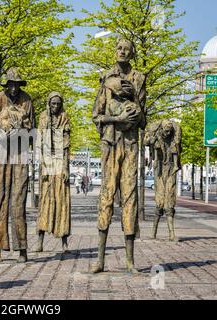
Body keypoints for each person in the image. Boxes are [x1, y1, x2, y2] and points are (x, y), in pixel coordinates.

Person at [91, 39, 146, 274]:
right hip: (111, 144)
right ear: (115, 51)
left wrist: (133, 102)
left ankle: (130, 261)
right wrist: (117, 120)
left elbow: (143, 120)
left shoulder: (139, 78)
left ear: (132, 53)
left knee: (130, 197)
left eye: (126, 49)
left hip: (131, 144)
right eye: (119, 48)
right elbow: (97, 116)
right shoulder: (105, 78)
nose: (122, 52)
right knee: (106, 196)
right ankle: (101, 260)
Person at [0, 67, 35, 263]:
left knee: (18, 201)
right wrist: (2, 133)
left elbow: (31, 128)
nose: (14, 88)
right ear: (6, 85)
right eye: (11, 85)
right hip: (2, 154)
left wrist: (20, 133)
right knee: (0, 198)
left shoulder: (27, 100)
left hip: (20, 154)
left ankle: (22, 249)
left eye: (17, 84)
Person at [36, 92, 71, 253]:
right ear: (48, 104)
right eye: (53, 104)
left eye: (58, 104)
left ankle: (64, 241)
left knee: (62, 201)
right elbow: (40, 143)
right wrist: (43, 167)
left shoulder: (64, 117)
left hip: (59, 163)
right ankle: (40, 240)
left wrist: (65, 168)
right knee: (45, 202)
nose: (55, 107)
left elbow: (66, 146)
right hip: (47, 164)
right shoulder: (43, 117)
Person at [145, 120, 182, 241]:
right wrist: (152, 142)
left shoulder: (174, 137)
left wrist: (176, 165)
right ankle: (153, 232)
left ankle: (171, 233)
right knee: (159, 200)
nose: (167, 134)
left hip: (171, 168)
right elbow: (146, 142)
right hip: (159, 168)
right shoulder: (155, 133)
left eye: (169, 132)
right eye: (165, 131)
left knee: (170, 199)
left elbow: (176, 149)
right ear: (161, 129)